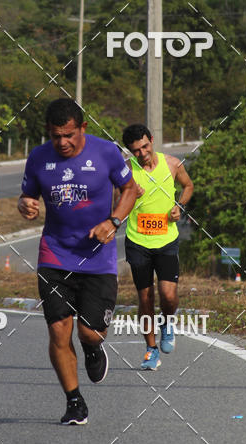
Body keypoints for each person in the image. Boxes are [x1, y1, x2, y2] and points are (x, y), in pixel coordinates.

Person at [18, 98, 138, 425]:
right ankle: (74, 402)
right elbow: (28, 197)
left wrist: (113, 221)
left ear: (82, 128)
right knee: (59, 332)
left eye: (69, 135)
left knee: (90, 333)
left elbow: (130, 189)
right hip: (54, 254)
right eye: (56, 136)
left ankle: (93, 348)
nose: (62, 142)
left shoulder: (106, 152)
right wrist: (25, 205)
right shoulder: (38, 157)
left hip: (98, 258)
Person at [121, 124, 194, 370]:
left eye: (145, 147)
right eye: (136, 151)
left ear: (151, 140)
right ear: (130, 152)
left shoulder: (172, 164)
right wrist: (130, 194)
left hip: (166, 241)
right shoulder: (126, 171)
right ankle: (151, 350)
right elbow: (117, 203)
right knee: (145, 298)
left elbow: (188, 186)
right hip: (138, 242)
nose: (142, 154)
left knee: (168, 295)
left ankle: (168, 321)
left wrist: (179, 206)